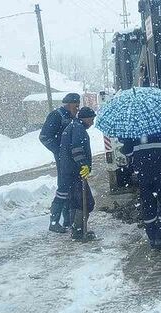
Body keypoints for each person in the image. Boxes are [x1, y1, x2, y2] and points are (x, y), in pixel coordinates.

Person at [120, 122, 161, 250]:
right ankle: (160, 236)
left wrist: (136, 158)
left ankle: (152, 237)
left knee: (148, 203)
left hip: (143, 171)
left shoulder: (132, 124)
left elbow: (127, 150)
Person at [57, 106, 97, 241]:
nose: (92, 123)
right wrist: (83, 165)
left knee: (75, 202)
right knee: (86, 202)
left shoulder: (73, 126)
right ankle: (79, 231)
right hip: (75, 173)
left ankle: (76, 229)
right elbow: (76, 150)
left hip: (69, 172)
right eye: (91, 119)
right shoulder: (78, 128)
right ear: (85, 118)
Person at [42, 93, 81, 233]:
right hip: (63, 159)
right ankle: (54, 222)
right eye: (76, 106)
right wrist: (59, 151)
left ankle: (67, 221)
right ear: (69, 104)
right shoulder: (56, 115)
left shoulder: (71, 117)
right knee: (63, 188)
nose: (78, 108)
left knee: (70, 188)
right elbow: (44, 136)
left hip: (70, 159)